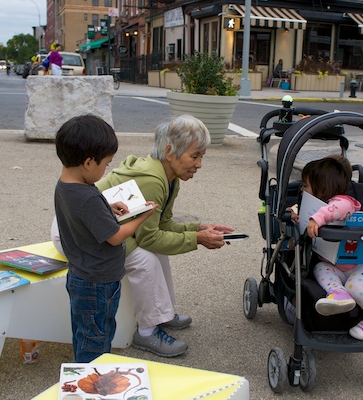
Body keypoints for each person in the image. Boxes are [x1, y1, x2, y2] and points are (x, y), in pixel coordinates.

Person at [51, 114, 235, 357]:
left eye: (202, 156)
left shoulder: (169, 176)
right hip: (81, 233)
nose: (199, 164)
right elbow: (149, 237)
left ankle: (162, 313)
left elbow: (163, 223)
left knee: (152, 249)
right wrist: (197, 240)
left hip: (98, 221)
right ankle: (148, 330)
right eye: (195, 156)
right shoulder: (152, 180)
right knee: (145, 257)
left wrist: (197, 229)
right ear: (170, 151)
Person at [54, 114, 157, 362]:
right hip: (98, 284)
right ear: (89, 162)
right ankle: (93, 384)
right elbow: (115, 237)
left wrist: (106, 207)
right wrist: (142, 215)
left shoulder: (65, 185)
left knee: (85, 333)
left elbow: (83, 212)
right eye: (107, 163)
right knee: (97, 341)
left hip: (80, 275)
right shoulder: (88, 197)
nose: (107, 169)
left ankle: (84, 372)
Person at [295, 155, 363, 341]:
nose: (302, 190)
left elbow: (336, 209)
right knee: (320, 268)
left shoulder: (345, 202)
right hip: (336, 266)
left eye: (305, 186)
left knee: (355, 288)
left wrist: (317, 219)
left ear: (322, 187)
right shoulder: (318, 206)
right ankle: (338, 293)